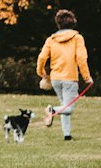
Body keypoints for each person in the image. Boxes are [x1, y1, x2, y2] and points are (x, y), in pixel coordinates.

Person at [36, 9, 93, 141]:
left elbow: (42, 58)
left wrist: (42, 73)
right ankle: (52, 110)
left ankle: (67, 135)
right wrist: (86, 77)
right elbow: (81, 58)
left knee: (64, 104)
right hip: (70, 78)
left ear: (58, 24)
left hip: (55, 78)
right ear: (73, 24)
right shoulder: (77, 38)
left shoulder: (51, 39)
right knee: (68, 108)